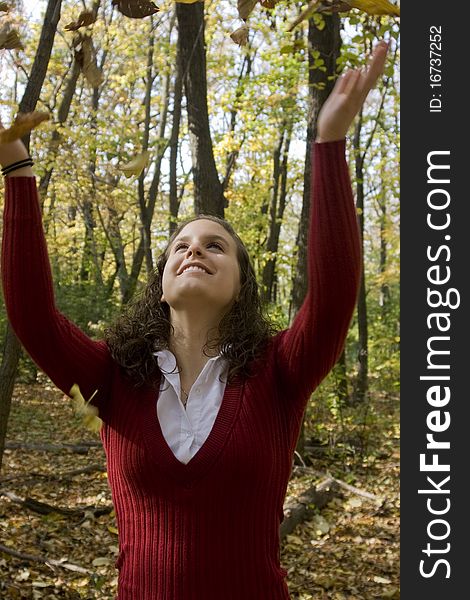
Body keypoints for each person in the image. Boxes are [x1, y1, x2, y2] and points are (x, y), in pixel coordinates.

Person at [0, 41, 388, 600]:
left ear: (239, 284)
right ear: (162, 284)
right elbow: (33, 318)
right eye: (180, 245)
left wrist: (329, 144)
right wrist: (16, 168)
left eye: (215, 246)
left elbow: (331, 297)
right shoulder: (114, 377)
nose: (194, 251)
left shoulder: (278, 372)